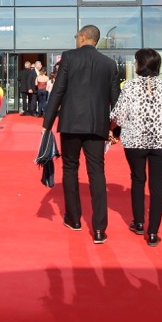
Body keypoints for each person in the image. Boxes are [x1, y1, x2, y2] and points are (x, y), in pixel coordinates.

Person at [42, 25, 121, 244]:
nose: (76, 39)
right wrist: (116, 129)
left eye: (77, 36)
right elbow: (117, 100)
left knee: (70, 168)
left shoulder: (69, 58)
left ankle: (74, 219)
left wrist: (47, 123)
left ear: (83, 37)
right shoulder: (109, 64)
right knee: (97, 173)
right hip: (97, 125)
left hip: (70, 124)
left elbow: (58, 90)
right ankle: (99, 229)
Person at [110, 48, 162, 247]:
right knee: (158, 186)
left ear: (140, 64)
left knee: (137, 179)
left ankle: (139, 222)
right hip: (161, 142)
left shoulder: (130, 86)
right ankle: (153, 233)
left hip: (135, 141)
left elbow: (118, 115)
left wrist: (112, 129)